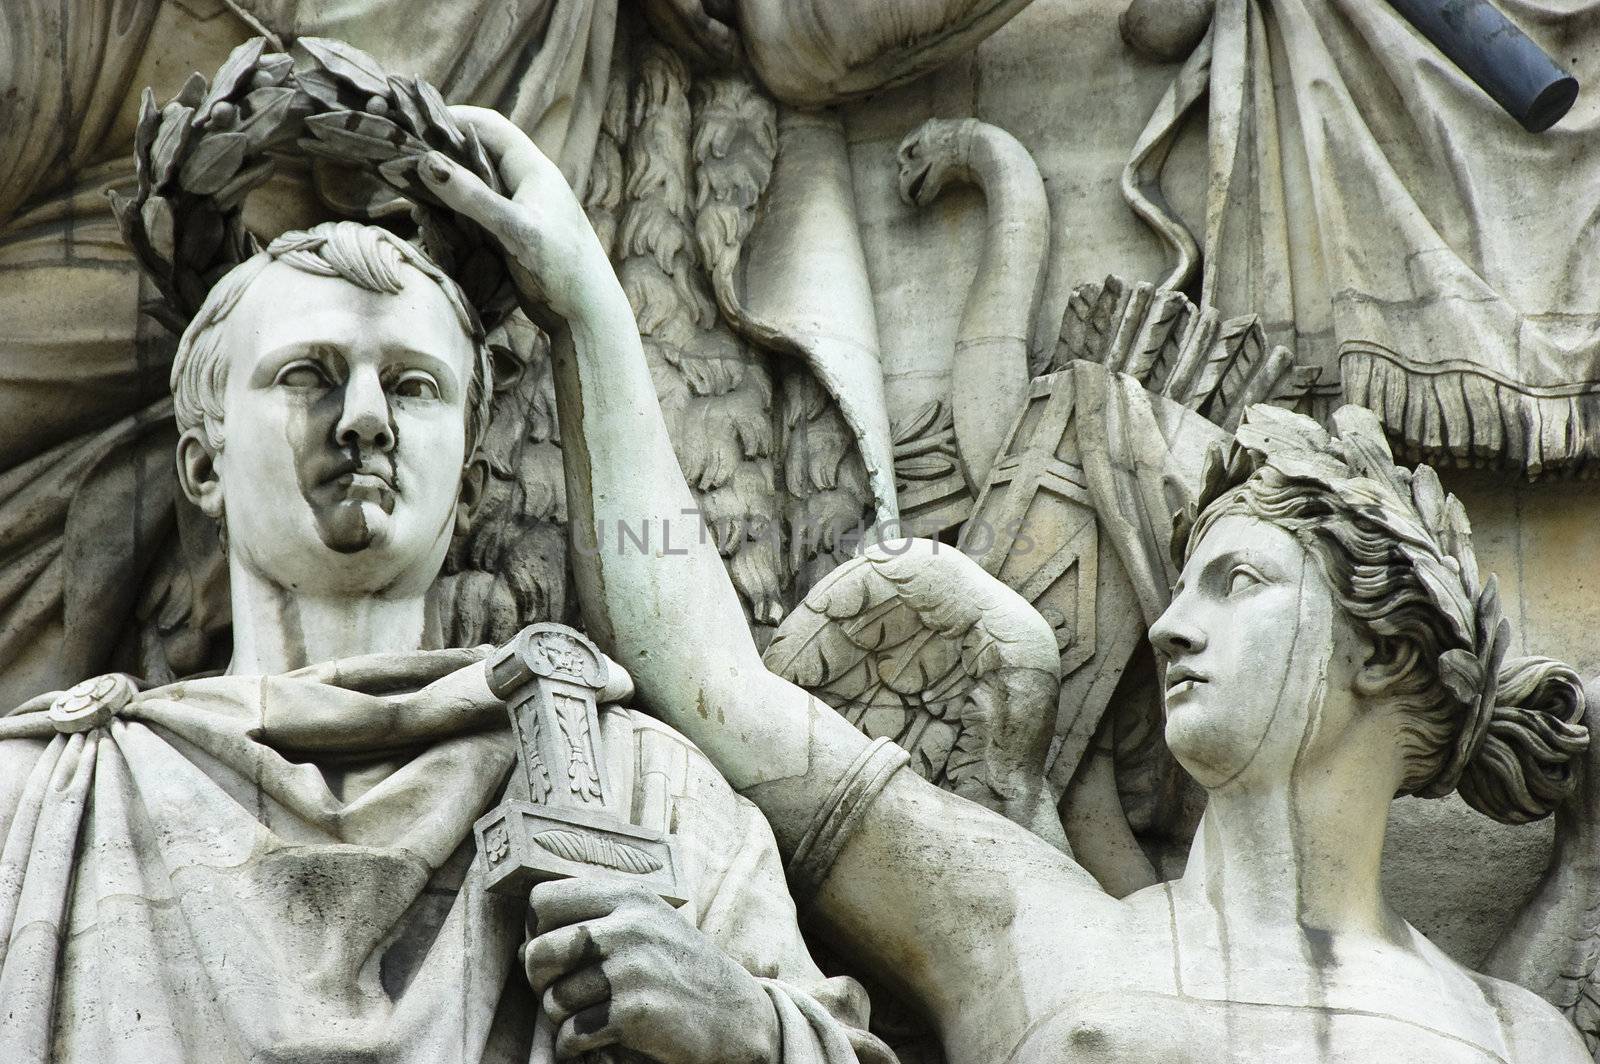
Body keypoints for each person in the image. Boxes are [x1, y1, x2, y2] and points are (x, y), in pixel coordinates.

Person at [421, 103, 1598, 1061]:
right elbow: (708, 675)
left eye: (1235, 580)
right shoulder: (1024, 920)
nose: (1171, 628)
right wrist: (586, 301)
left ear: (1384, 653)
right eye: (1179, 586)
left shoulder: (1519, 1034)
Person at [0, 219, 891, 1064]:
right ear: (202, 464)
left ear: (467, 489)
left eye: (413, 385)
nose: (364, 419)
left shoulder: (641, 786)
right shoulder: (38, 803)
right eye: (308, 373)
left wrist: (740, 1023)